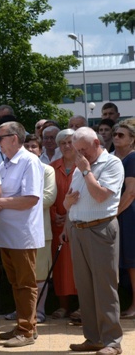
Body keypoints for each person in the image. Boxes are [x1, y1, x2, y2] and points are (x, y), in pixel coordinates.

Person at [63, 127, 124, 355]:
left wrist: (87, 172)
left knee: (105, 288)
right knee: (86, 289)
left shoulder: (112, 164)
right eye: (77, 150)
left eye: (83, 149)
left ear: (97, 143)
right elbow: (68, 203)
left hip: (100, 229)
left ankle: (112, 342)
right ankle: (93, 338)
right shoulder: (80, 168)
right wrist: (68, 203)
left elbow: (100, 196)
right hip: (78, 230)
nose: (80, 154)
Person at [0, 121, 44, 348]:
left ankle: (27, 329)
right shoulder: (4, 163)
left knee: (25, 283)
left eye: (0, 138)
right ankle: (24, 325)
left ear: (14, 138)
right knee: (16, 283)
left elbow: (31, 198)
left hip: (22, 235)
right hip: (7, 234)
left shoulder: (29, 161)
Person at [23, 134, 57, 324]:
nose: (30, 150)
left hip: (41, 230)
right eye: (26, 146)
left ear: (41, 150)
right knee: (22, 274)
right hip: (18, 230)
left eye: (34, 146)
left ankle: (40, 310)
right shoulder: (16, 169)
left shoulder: (47, 170)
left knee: (41, 274)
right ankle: (23, 311)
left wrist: (20, 204)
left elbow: (49, 198)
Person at [49, 129, 79, 320]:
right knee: (60, 266)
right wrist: (54, 215)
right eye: (63, 143)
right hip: (58, 224)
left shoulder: (84, 166)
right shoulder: (52, 168)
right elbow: (47, 195)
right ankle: (63, 306)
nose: (67, 146)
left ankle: (82, 305)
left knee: (79, 265)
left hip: (78, 223)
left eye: (70, 142)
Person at [114, 122, 135, 317]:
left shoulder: (132, 159)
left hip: (129, 214)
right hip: (124, 214)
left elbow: (130, 193)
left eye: (121, 135)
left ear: (132, 140)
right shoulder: (118, 160)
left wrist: (113, 214)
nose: (116, 137)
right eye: (115, 134)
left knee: (132, 263)